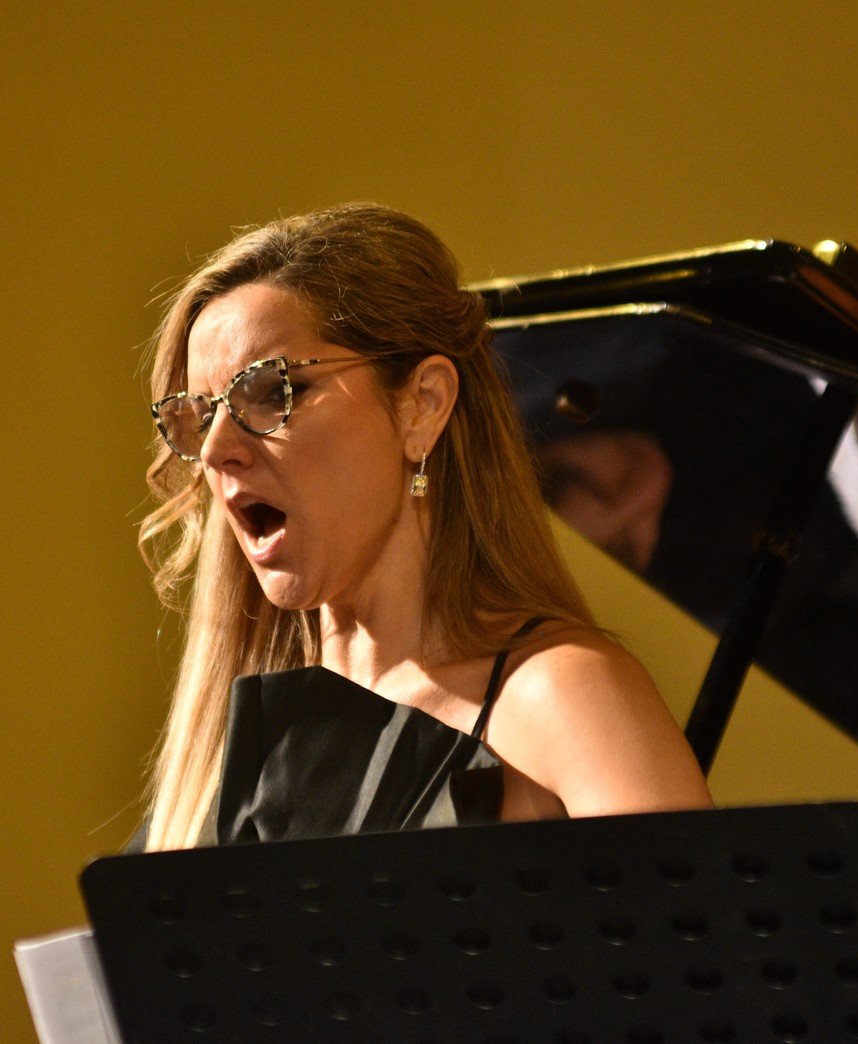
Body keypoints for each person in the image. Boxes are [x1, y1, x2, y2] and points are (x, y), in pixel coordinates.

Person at [136, 203, 711, 853]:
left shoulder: (563, 697)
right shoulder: (222, 751)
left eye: (271, 392)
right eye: (196, 415)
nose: (215, 451)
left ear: (422, 406)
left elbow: (699, 951)